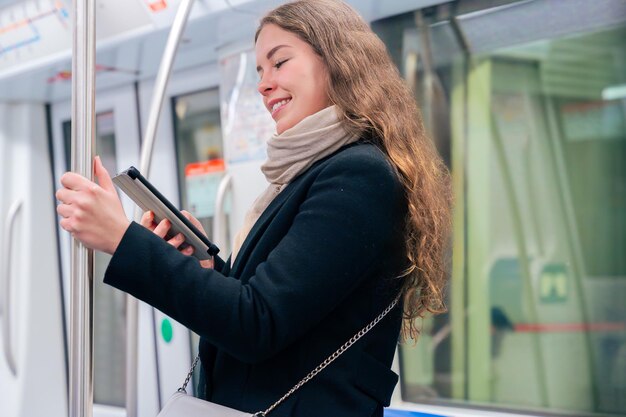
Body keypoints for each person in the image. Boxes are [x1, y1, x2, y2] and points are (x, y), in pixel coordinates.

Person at [55, 0, 451, 415]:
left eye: (278, 63)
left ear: (338, 61)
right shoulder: (310, 174)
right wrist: (203, 268)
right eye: (260, 71)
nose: (263, 84)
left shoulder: (358, 175)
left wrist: (123, 240)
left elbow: (256, 323)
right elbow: (278, 311)